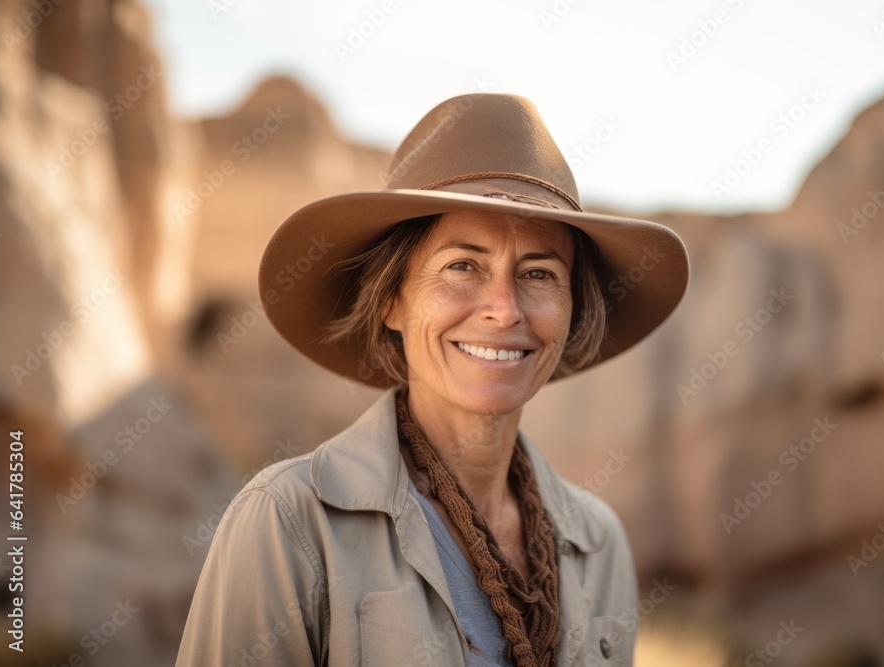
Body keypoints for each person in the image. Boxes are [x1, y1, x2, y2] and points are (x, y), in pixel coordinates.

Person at [176, 93, 688, 667]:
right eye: (462, 265)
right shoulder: (290, 523)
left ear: (572, 312)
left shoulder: (599, 544)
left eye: (539, 273)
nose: (504, 309)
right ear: (391, 300)